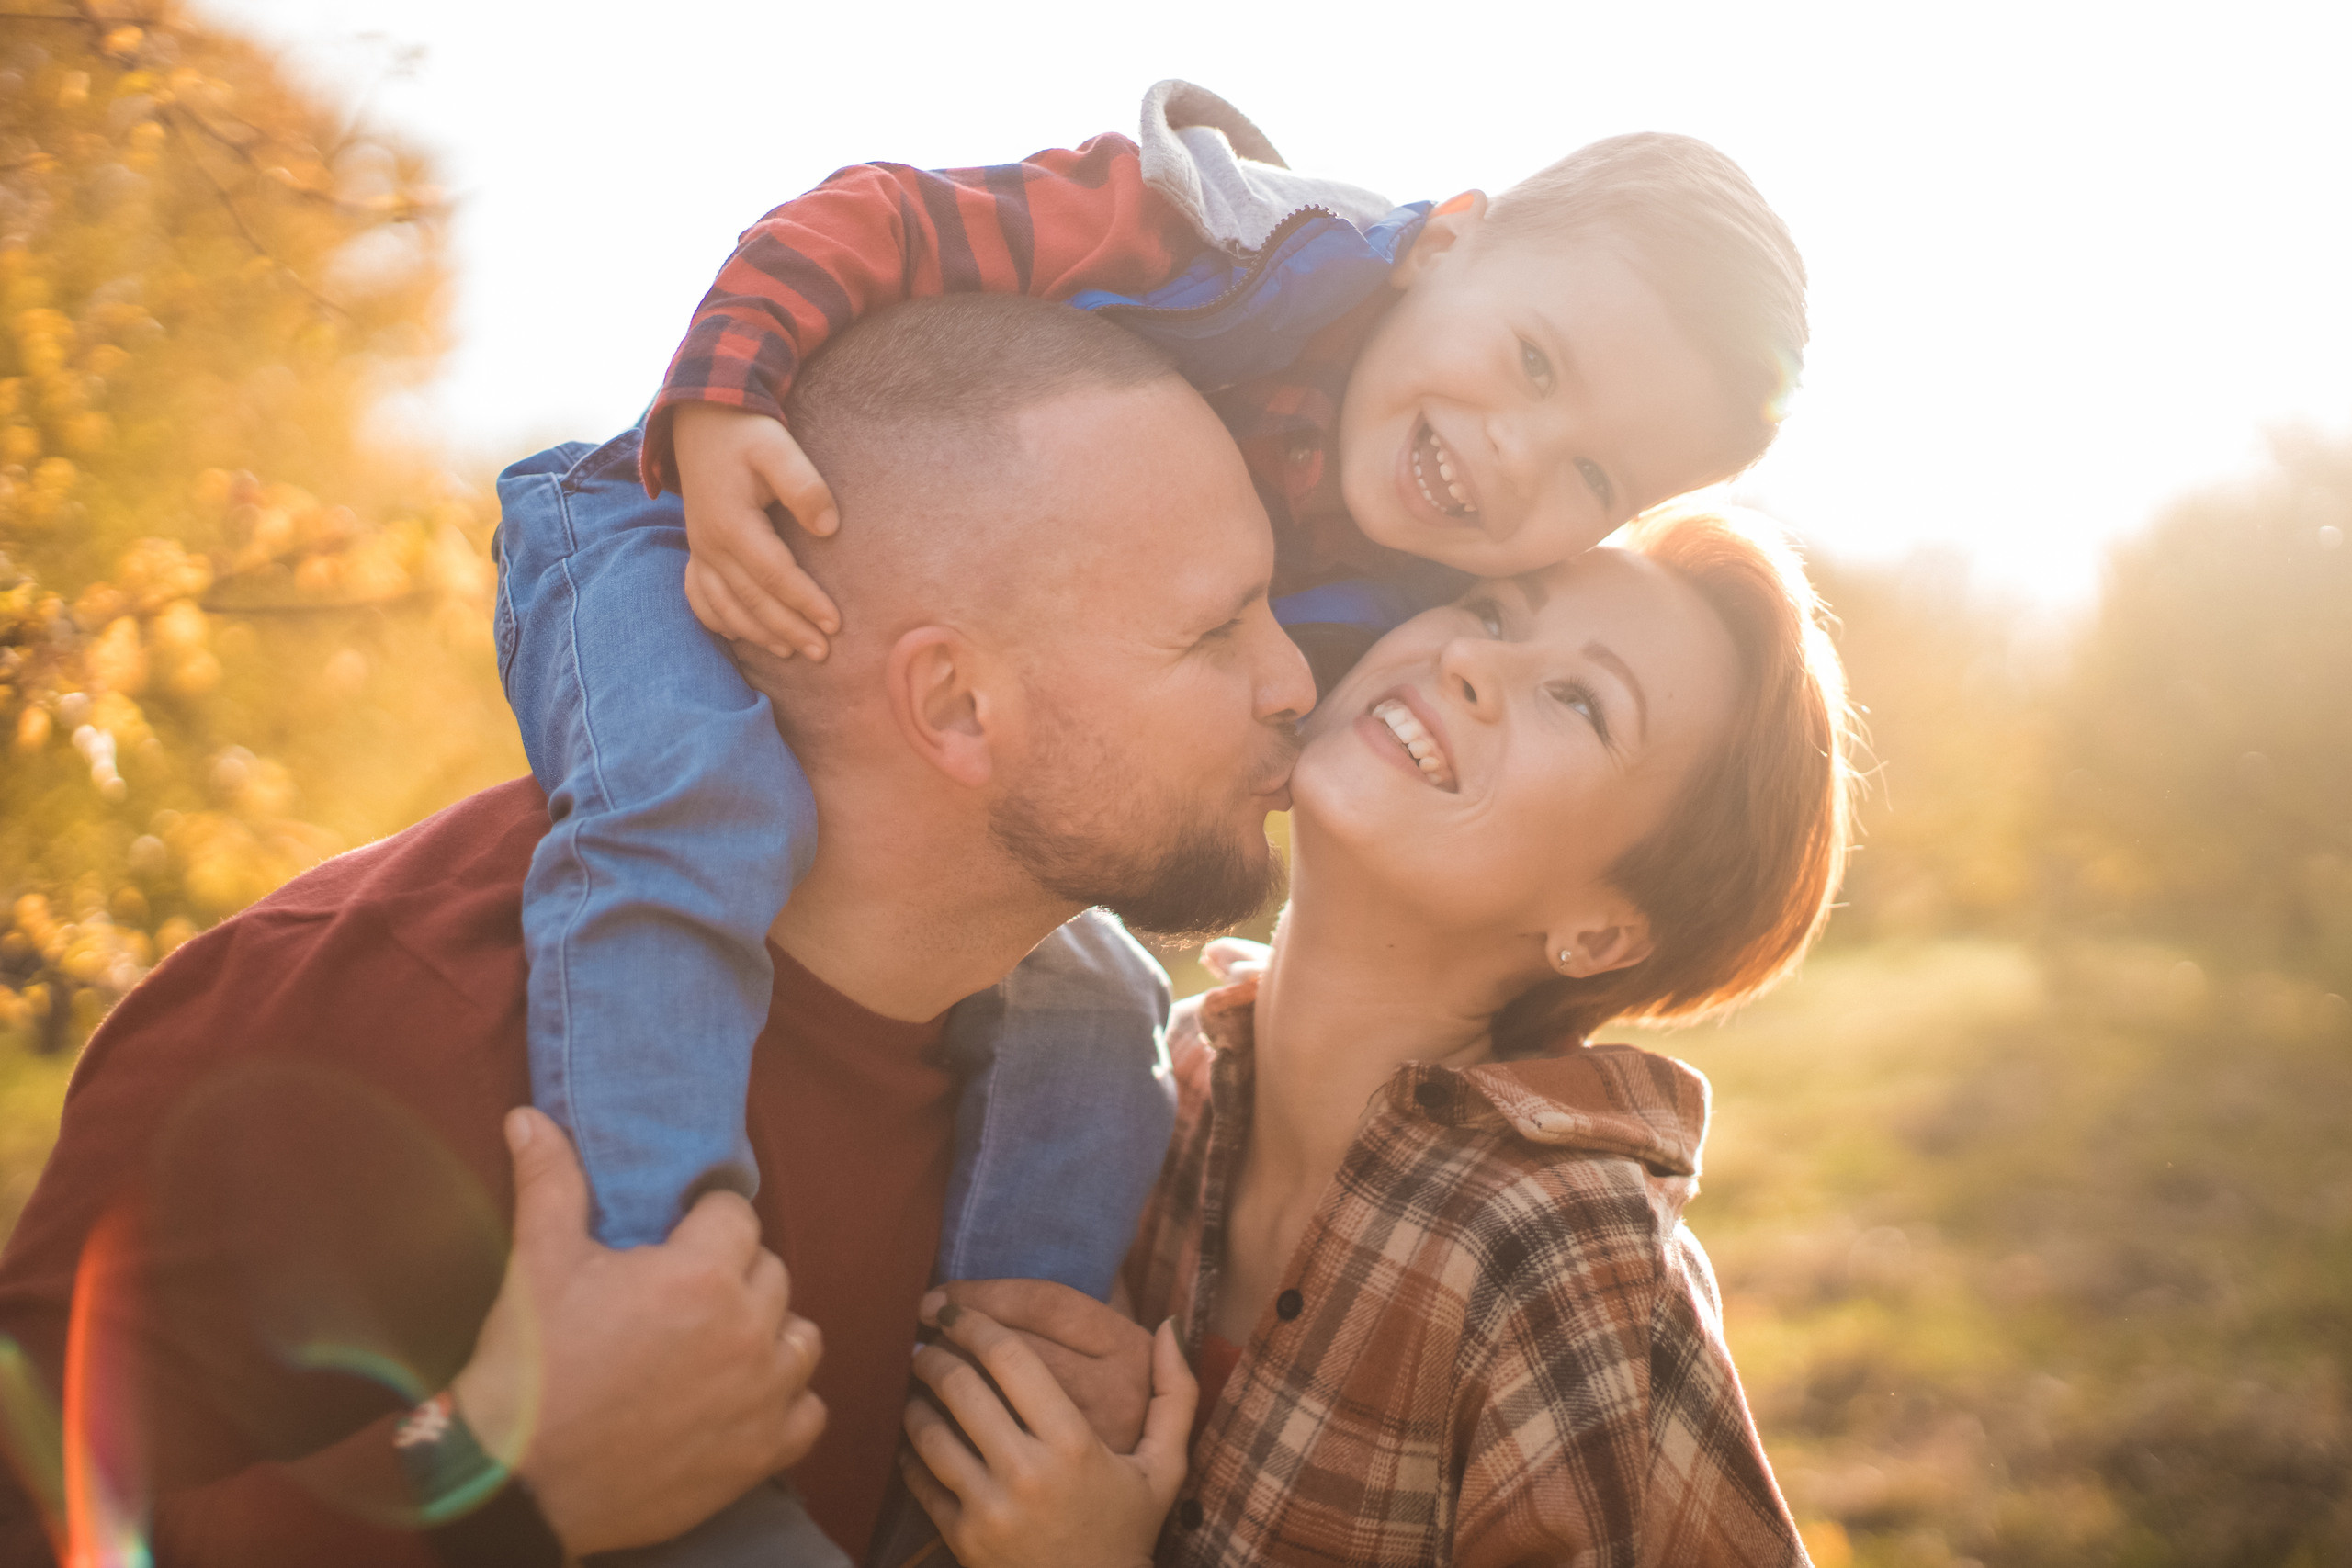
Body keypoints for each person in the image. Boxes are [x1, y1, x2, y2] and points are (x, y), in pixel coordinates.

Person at [0, 294, 1314, 1566]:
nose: (1295, 680)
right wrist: (492, 1482)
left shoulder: (1102, 1106)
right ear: (957, 703)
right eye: (1217, 629)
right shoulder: (358, 1015)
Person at [509, 78, 1809, 1335]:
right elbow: (884, 218)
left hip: (932, 681)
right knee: (695, 802)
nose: (1515, 451)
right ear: (1450, 239)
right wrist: (725, 397)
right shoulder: (1222, 240)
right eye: (1533, 359)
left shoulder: (1423, 591)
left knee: (1095, 1004)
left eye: (1592, 467)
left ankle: (997, 1373)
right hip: (664, 521)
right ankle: (652, 1285)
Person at [897, 504, 1854, 1567]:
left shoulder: (1573, 1268)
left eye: (1579, 701)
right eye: (1491, 610)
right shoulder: (1149, 1080)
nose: (1471, 662)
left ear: (1601, 931)